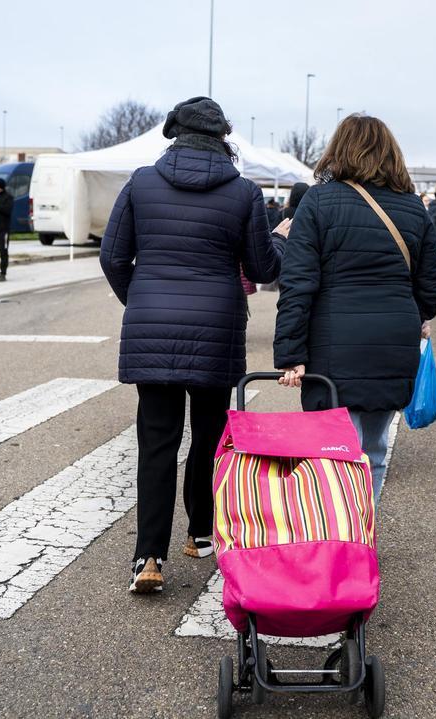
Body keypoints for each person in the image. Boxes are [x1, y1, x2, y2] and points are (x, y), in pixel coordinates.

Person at [100, 96, 290, 594]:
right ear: (223, 136)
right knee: (208, 438)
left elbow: (113, 256)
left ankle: (148, 558)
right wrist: (283, 238)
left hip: (152, 328)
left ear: (174, 133)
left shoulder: (141, 182)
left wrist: (140, 301)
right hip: (216, 328)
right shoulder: (245, 192)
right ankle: (201, 534)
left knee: (157, 443)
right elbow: (265, 269)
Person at [274, 114, 436, 502]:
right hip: (393, 340)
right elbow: (433, 281)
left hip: (333, 342)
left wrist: (290, 353)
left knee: (334, 451)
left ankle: (338, 538)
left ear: (340, 150)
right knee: (374, 447)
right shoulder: (412, 207)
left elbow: (298, 282)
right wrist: (415, 314)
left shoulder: (318, 201)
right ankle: (364, 534)